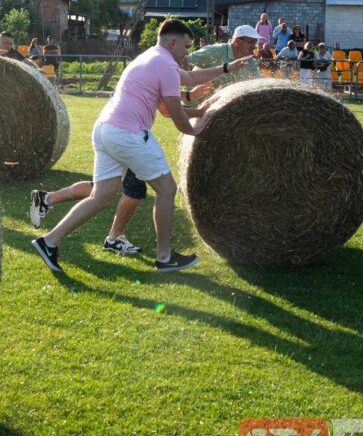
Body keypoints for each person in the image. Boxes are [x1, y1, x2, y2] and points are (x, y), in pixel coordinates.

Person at [30, 19, 252, 274]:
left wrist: (226, 67)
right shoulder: (165, 65)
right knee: (167, 189)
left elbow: (190, 78)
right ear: (172, 42)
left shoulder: (151, 57)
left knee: (100, 196)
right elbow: (173, 111)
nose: (187, 52)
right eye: (185, 46)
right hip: (128, 133)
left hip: (105, 130)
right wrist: (195, 129)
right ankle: (165, 257)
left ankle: (49, 242)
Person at [183, 24, 261, 101]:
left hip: (217, 107)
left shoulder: (249, 61)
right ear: (237, 41)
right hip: (194, 104)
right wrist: (190, 83)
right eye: (251, 42)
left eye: (255, 43)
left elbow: (258, 83)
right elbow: (184, 60)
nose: (254, 47)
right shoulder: (215, 51)